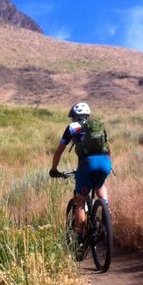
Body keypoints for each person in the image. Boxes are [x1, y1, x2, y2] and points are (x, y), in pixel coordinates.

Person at [50, 101, 112, 242]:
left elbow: (58, 152)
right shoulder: (98, 127)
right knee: (100, 185)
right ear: (88, 115)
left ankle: (79, 238)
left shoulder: (71, 128)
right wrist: (109, 165)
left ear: (75, 117)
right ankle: (106, 214)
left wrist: (54, 169)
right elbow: (109, 149)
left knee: (80, 201)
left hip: (87, 164)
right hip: (105, 163)